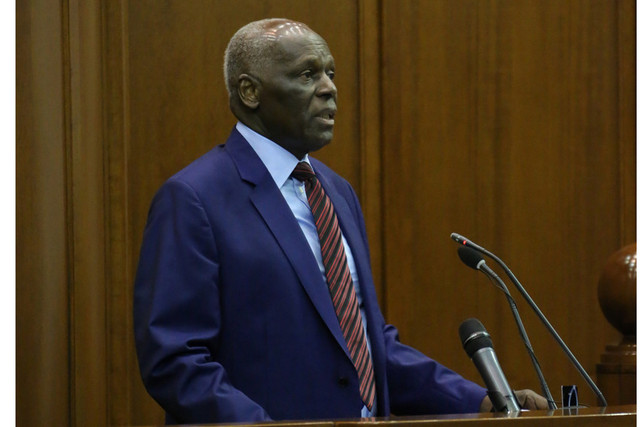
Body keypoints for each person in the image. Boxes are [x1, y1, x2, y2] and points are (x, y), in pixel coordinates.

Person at [133, 18, 548, 425]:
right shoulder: (194, 198)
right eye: (307, 75)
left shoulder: (336, 192)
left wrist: (480, 402)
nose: (329, 88)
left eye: (330, 73)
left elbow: (365, 345)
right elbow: (175, 360)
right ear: (250, 91)